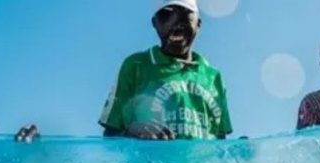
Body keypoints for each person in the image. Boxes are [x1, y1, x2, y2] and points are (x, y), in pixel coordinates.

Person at [99, 0, 232, 140]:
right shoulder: (136, 66)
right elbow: (110, 135)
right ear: (155, 23)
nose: (176, 21)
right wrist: (130, 132)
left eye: (184, 14)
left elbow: (220, 143)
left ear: (198, 23)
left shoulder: (213, 77)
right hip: (149, 162)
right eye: (167, 14)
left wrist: (237, 153)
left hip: (202, 162)